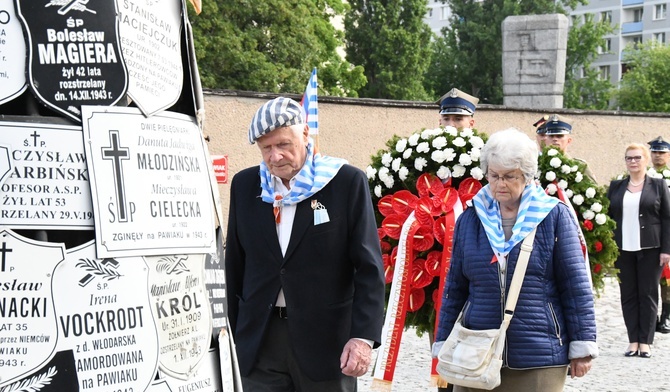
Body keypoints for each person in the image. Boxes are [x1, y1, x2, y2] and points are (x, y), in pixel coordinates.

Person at [225, 96, 386, 391]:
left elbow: (368, 267)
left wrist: (362, 338)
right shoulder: (245, 185)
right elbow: (235, 264)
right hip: (260, 340)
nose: (275, 157)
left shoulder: (345, 182)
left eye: (283, 144)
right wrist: (235, 334)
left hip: (327, 344)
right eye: (266, 148)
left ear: (306, 135)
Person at [432, 128, 598, 391]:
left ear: (528, 175)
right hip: (476, 350)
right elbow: (455, 287)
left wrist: (582, 346)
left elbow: (575, 285)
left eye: (510, 176)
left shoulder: (554, 217)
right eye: (494, 175)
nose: (500, 184)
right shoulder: (470, 219)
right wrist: (442, 340)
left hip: (539, 355)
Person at [607, 143, 670, 358]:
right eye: (629, 158)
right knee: (628, 295)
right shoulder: (616, 186)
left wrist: (666, 249)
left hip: (651, 248)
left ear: (645, 160)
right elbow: (608, 217)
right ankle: (633, 340)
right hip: (623, 248)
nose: (633, 162)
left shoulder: (659, 186)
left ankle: (646, 342)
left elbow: (667, 218)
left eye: (637, 158)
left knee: (649, 294)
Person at [648, 136, 670, 334]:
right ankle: (651, 316)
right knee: (650, 278)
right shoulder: (644, 178)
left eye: (662, 152)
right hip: (651, 235)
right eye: (655, 152)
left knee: (668, 280)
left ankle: (666, 316)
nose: (658, 156)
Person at [536, 114, 597, 183]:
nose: (555, 139)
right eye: (551, 136)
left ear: (569, 140)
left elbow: (595, 191)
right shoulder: (536, 164)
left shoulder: (580, 166)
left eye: (559, 136)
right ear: (546, 140)